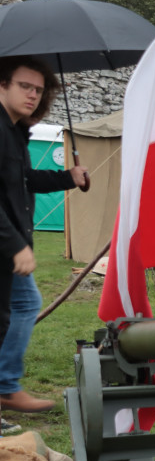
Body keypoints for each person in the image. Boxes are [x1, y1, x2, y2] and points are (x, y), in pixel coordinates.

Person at [0, 57, 89, 427]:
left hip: (10, 243)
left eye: (38, 89)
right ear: (2, 85)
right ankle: (5, 387)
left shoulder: (15, 131)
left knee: (22, 304)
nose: (33, 95)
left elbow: (22, 180)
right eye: (24, 86)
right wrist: (14, 244)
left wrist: (68, 176)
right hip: (6, 244)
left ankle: (5, 386)